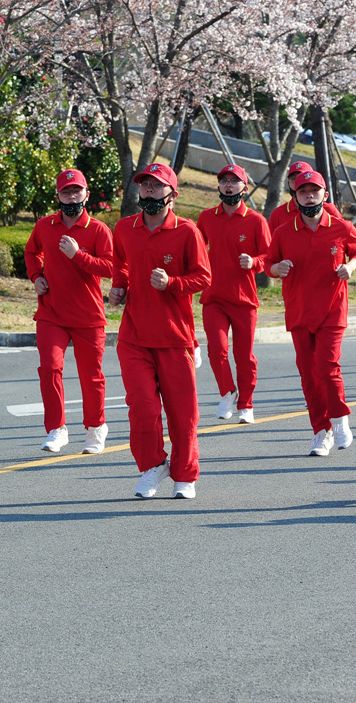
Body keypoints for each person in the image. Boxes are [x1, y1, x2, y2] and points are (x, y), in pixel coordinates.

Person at [110, 163, 212, 499]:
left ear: (171, 193)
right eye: (145, 186)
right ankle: (153, 465)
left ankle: (185, 475)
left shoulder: (187, 231)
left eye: (156, 186)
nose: (149, 191)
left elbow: (203, 277)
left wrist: (172, 284)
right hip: (134, 337)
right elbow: (120, 264)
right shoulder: (125, 228)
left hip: (175, 337)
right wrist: (119, 288)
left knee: (182, 414)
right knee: (142, 408)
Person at [267, 171, 356, 455]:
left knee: (327, 366)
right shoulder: (283, 232)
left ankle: (339, 420)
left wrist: (350, 267)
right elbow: (268, 262)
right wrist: (277, 269)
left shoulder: (341, 227)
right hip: (299, 311)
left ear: (325, 195)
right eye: (303, 191)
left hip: (332, 310)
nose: (309, 196)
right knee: (308, 375)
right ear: (295, 197)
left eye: (314, 191)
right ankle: (320, 431)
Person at [24, 169, 116, 455]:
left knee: (91, 376)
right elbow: (32, 253)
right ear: (58, 196)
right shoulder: (44, 225)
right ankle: (56, 429)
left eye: (77, 191)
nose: (71, 196)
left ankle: (95, 428)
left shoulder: (99, 230)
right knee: (50, 368)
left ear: (87, 195)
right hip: (51, 313)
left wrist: (78, 255)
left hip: (88, 315)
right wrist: (36, 276)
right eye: (66, 192)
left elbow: (112, 267)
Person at [196, 164, 272, 425]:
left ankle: (246, 405)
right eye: (224, 181)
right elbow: (194, 249)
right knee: (217, 350)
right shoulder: (206, 218)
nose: (228, 185)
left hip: (244, 299)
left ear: (244, 188)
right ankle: (228, 392)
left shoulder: (256, 221)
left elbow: (269, 256)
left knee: (245, 356)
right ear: (219, 187)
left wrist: (254, 262)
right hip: (213, 296)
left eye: (234, 181)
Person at [267, 160, 341, 234]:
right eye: (293, 178)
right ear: (288, 182)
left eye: (302, 176)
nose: (297, 181)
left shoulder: (330, 210)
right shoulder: (278, 214)